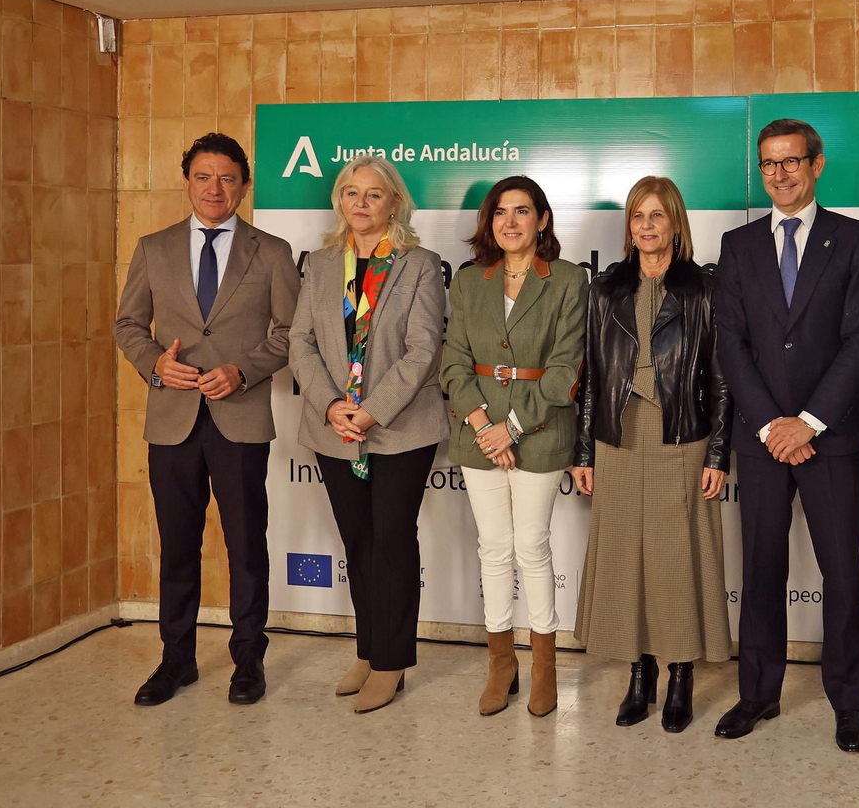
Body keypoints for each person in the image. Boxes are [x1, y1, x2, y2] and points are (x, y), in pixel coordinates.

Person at [713, 118, 859, 752]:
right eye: (768, 164)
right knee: (760, 568)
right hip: (761, 441)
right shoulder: (738, 245)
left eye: (791, 162)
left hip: (829, 435)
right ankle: (757, 693)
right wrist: (770, 424)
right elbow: (732, 343)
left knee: (842, 571)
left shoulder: (856, 239)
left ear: (816, 165)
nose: (779, 174)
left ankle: (848, 702)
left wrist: (807, 422)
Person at [114, 133, 300, 706]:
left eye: (227, 178)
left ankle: (249, 660)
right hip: (171, 421)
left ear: (244, 185)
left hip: (239, 417)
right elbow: (128, 327)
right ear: (187, 180)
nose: (214, 188)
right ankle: (177, 660)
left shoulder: (271, 251)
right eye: (203, 176)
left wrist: (242, 372)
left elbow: (291, 334)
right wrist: (156, 367)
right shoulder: (154, 247)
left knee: (246, 543)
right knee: (177, 545)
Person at [571, 176, 733, 734]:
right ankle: (639, 675)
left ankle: (681, 674)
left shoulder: (704, 289)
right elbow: (591, 378)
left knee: (677, 557)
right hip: (620, 437)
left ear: (675, 223)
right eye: (637, 216)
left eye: (656, 216)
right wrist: (584, 449)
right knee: (625, 558)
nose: (646, 226)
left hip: (682, 436)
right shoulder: (606, 289)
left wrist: (717, 452)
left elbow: (721, 377)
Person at [289, 157, 449, 713]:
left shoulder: (419, 265)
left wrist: (371, 411)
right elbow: (300, 342)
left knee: (391, 541)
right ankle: (367, 648)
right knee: (358, 542)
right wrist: (332, 405)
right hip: (333, 428)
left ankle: (392, 661)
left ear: (394, 203)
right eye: (351, 193)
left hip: (399, 429)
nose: (361, 202)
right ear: (340, 202)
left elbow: (425, 349)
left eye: (374, 194)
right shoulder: (321, 264)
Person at [441, 175, 587, 719]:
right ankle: (501, 664)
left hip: (540, 433)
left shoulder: (569, 280)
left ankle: (545, 665)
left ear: (542, 220)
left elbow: (566, 368)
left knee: (532, 547)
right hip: (478, 433)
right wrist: (484, 424)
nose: (510, 221)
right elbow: (453, 361)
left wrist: (513, 427)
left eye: (522, 211)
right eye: (500, 212)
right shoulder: (469, 281)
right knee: (493, 549)